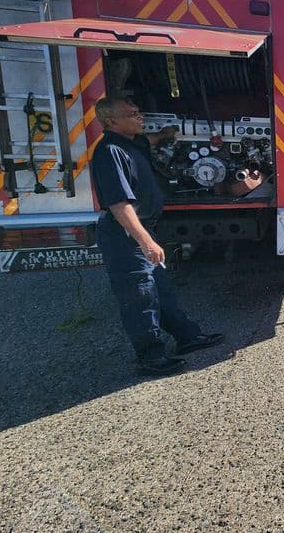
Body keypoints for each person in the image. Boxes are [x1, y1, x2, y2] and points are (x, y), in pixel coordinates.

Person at [91, 97, 223, 375]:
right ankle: (151, 357)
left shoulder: (131, 142)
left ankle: (187, 337)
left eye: (138, 112)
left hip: (141, 229)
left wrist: (165, 134)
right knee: (140, 296)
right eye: (132, 114)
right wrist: (145, 241)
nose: (139, 117)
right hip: (125, 235)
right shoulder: (110, 152)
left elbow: (149, 140)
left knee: (161, 289)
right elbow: (119, 204)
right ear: (111, 121)